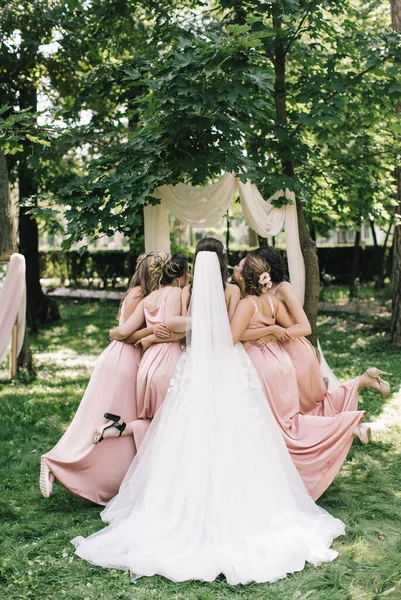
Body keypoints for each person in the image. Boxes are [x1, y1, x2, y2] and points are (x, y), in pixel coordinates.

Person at [72, 250, 344, 586]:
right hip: (230, 367)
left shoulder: (191, 299)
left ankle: (185, 507)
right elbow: (228, 335)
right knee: (237, 432)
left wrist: (167, 332)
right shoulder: (233, 296)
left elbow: (185, 330)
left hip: (198, 367)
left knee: (191, 432)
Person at [231, 252, 370, 500]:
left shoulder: (246, 304)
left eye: (238, 266)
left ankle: (346, 426)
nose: (234, 267)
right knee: (292, 423)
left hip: (264, 368)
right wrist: (274, 330)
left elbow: (232, 337)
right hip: (282, 365)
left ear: (245, 277)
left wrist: (269, 330)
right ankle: (347, 426)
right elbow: (290, 328)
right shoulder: (271, 302)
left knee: (282, 430)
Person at [39, 253, 162, 504]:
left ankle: (97, 475)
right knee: (115, 423)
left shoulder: (135, 292)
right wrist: (153, 330)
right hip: (124, 362)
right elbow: (125, 334)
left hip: (118, 360)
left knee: (102, 423)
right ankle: (61, 463)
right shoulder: (141, 295)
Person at [251, 246, 391, 413]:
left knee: (313, 405)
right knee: (301, 405)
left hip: (295, 351)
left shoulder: (283, 288)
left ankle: (364, 383)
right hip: (278, 353)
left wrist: (273, 334)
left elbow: (304, 327)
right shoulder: (260, 292)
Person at [93, 254, 189, 442]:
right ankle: (125, 430)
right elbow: (176, 328)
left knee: (152, 419)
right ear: (179, 277)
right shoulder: (176, 293)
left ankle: (121, 428)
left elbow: (124, 332)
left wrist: (112, 333)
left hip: (146, 366)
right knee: (170, 421)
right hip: (168, 362)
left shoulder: (149, 298)